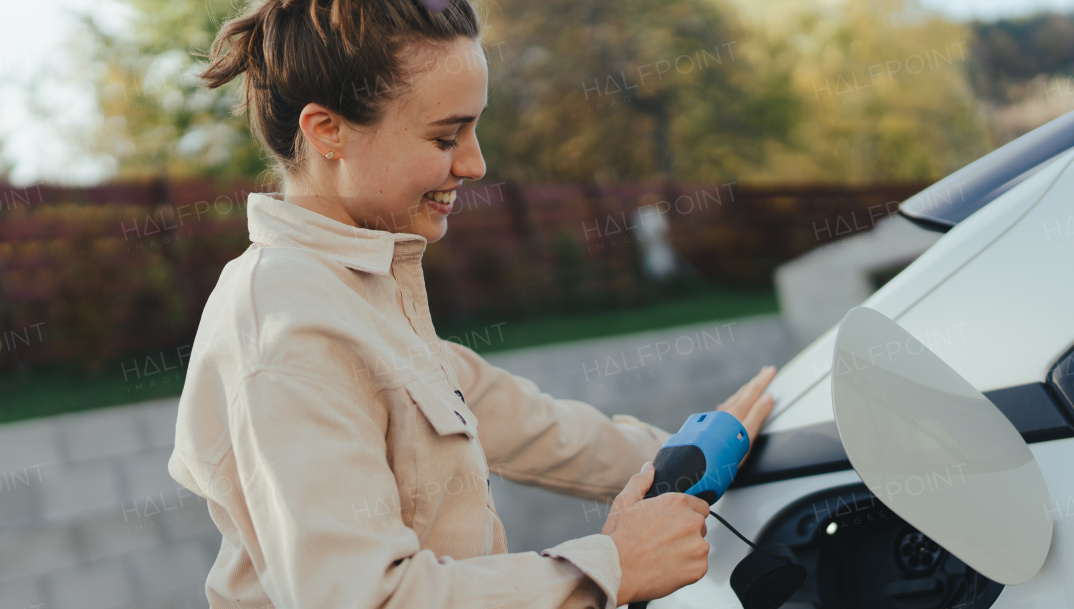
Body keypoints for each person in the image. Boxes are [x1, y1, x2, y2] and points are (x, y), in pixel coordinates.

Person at [168, 0, 778, 607]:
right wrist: (611, 566)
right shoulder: (285, 326)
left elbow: (542, 430)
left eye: (473, 129)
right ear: (328, 131)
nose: (475, 163)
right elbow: (367, 597)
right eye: (444, 136)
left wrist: (700, 449)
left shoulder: (363, 292)